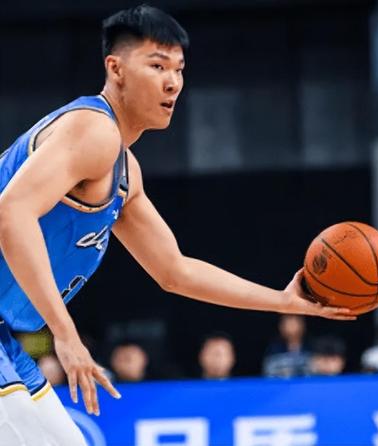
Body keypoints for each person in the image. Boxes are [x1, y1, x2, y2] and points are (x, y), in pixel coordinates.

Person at [0, 5, 354, 445]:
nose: (172, 82)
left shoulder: (124, 172)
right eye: (157, 66)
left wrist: (284, 301)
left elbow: (175, 271)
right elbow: (11, 212)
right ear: (116, 68)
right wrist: (66, 335)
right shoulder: (94, 131)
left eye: (179, 69)